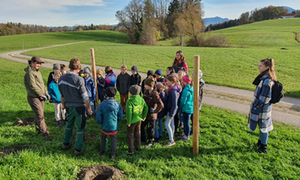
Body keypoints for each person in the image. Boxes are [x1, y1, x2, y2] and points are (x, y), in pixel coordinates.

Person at [58, 58, 93, 156]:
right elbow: (85, 96)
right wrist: (89, 108)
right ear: (79, 68)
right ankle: (78, 149)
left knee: (69, 125)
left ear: (69, 67)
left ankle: (66, 144)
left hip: (68, 106)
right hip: (79, 108)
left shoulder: (61, 78)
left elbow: (62, 94)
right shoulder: (79, 79)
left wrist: (63, 105)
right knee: (80, 128)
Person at [248, 58, 276, 154]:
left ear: (267, 67)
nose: (258, 67)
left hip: (262, 109)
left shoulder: (267, 81)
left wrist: (255, 105)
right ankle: (260, 142)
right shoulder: (264, 78)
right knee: (261, 126)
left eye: (261, 66)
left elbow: (264, 98)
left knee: (264, 127)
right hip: (262, 108)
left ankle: (263, 147)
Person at [24, 56, 52, 141]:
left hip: (41, 97)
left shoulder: (38, 72)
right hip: (34, 97)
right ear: (32, 62)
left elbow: (42, 84)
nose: (38, 65)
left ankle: (38, 129)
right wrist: (40, 94)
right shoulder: (29, 73)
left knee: (39, 114)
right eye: (37, 63)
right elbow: (33, 86)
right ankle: (46, 134)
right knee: (40, 115)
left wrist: (46, 92)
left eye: (40, 63)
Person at [96, 87, 123, 159]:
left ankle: (102, 152)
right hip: (113, 126)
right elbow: (120, 115)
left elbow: (99, 115)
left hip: (104, 126)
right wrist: (119, 120)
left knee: (103, 138)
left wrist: (99, 122)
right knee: (113, 140)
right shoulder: (118, 104)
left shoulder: (102, 104)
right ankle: (112, 154)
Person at [141, 76, 164, 148]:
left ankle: (150, 141)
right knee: (141, 126)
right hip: (145, 114)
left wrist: (155, 112)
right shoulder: (146, 92)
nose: (144, 86)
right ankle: (142, 139)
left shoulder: (154, 94)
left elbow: (161, 104)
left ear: (150, 85)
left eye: (146, 84)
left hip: (151, 115)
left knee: (150, 129)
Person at [126, 85, 148, 156]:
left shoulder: (129, 101)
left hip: (132, 121)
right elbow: (146, 108)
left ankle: (131, 151)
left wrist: (129, 122)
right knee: (138, 133)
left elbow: (129, 112)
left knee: (130, 135)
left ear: (130, 93)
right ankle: (138, 148)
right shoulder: (141, 99)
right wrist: (144, 116)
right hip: (139, 120)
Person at [165, 76, 181, 146]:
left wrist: (171, 114)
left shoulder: (173, 92)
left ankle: (171, 140)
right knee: (171, 124)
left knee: (167, 124)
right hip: (171, 110)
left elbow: (174, 104)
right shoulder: (171, 89)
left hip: (171, 110)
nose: (166, 82)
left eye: (168, 81)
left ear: (172, 82)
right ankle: (171, 136)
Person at [178, 75, 193, 141]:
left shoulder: (185, 90)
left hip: (186, 108)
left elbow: (183, 101)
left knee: (186, 123)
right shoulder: (191, 88)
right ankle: (186, 134)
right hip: (190, 107)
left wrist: (180, 107)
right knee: (187, 122)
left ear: (184, 81)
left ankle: (187, 135)